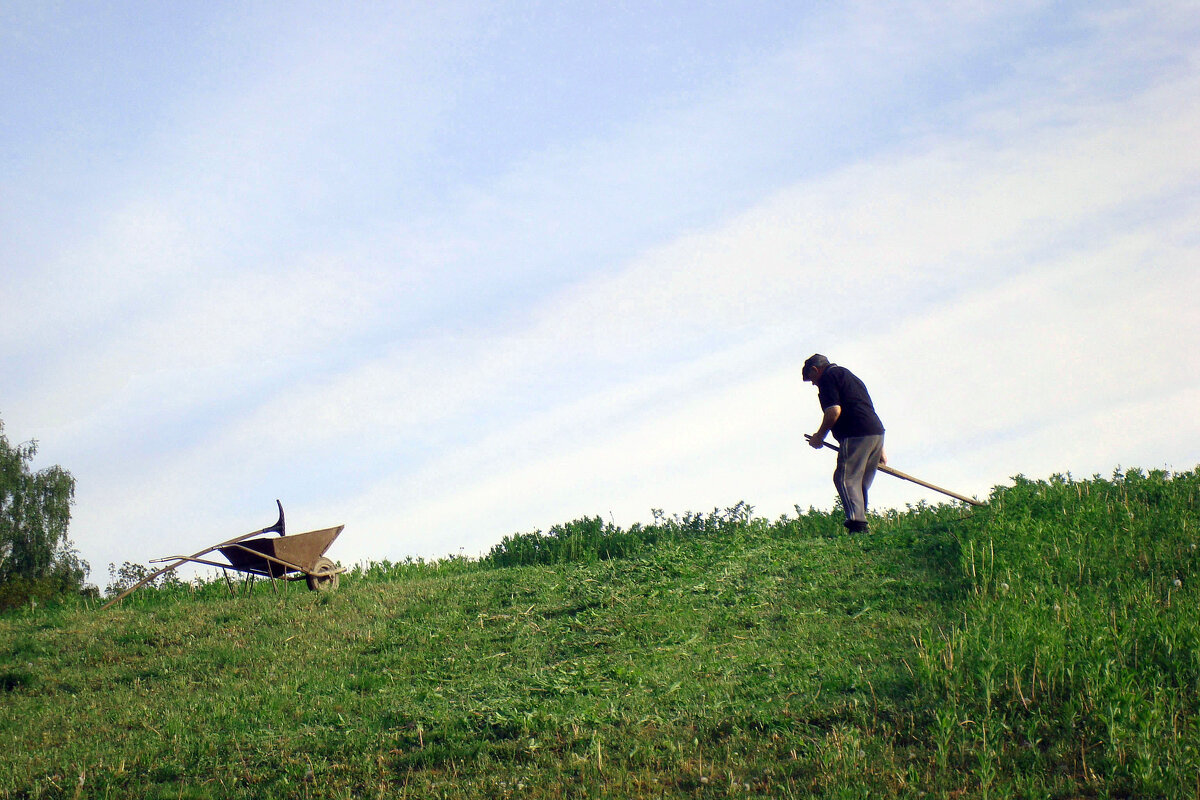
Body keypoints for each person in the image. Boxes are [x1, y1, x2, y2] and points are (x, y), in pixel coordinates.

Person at [802, 354, 886, 534]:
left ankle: (857, 525)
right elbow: (866, 407)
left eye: (812, 379)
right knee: (860, 481)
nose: (814, 384)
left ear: (816, 370)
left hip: (855, 434)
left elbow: (833, 411)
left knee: (845, 477)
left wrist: (819, 436)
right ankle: (860, 521)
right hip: (876, 433)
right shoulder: (850, 377)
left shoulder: (827, 379)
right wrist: (880, 449)